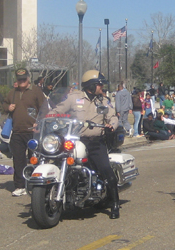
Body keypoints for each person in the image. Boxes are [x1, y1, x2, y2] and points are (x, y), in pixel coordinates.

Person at [50, 70, 121, 219]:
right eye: (100, 84)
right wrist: (47, 118)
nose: (102, 87)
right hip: (75, 140)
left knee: (105, 168)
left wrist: (111, 125)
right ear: (91, 85)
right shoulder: (73, 98)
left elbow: (113, 117)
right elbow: (58, 110)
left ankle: (114, 203)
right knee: (57, 159)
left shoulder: (103, 101)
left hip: (95, 142)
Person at [4, 68, 48, 197]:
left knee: (35, 159)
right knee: (18, 160)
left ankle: (37, 185)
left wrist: (39, 122)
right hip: (17, 131)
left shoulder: (36, 91)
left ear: (28, 78)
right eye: (19, 79)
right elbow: (3, 106)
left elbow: (44, 108)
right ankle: (20, 186)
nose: (22, 81)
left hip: (33, 131)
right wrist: (8, 107)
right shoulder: (12, 93)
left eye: (24, 79)